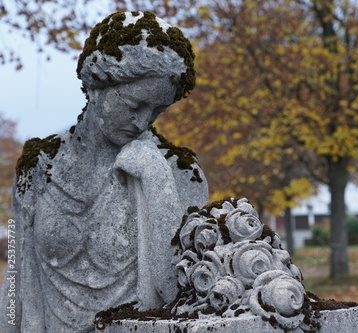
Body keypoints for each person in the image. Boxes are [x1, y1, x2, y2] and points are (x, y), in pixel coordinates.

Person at [0, 11, 209, 332]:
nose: (143, 121)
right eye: (135, 105)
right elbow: (15, 266)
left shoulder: (179, 171)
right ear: (98, 84)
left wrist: (155, 179)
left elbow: (180, 291)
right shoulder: (38, 164)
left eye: (157, 110)